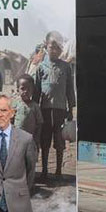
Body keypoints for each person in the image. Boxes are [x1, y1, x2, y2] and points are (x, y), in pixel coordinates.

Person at [33, 35, 76, 178]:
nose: (54, 50)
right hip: (44, 110)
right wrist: (35, 110)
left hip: (60, 110)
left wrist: (71, 109)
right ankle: (45, 170)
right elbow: (37, 91)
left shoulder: (66, 67)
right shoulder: (41, 67)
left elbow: (69, 89)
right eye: (52, 47)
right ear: (46, 48)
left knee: (59, 140)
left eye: (58, 48)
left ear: (61, 50)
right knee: (45, 140)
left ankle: (58, 171)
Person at [14, 74, 43, 143]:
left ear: (33, 90)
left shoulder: (35, 106)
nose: (26, 91)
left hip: (30, 139)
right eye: (22, 88)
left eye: (29, 89)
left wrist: (37, 138)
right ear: (18, 90)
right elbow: (10, 121)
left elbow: (39, 123)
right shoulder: (15, 104)